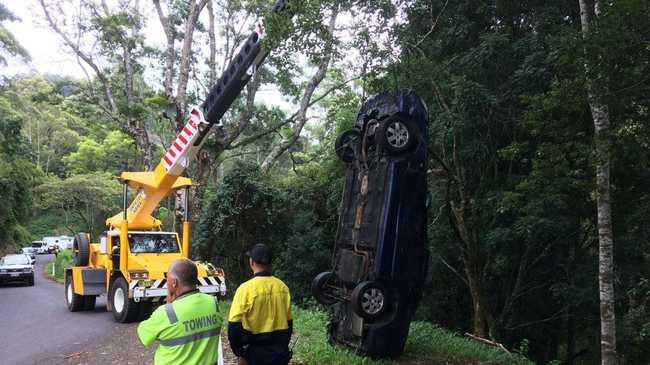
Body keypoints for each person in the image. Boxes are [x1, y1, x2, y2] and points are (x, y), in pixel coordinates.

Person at [137, 258, 224, 365]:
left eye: (167, 278)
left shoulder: (167, 312)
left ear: (174, 282)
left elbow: (143, 335)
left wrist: (169, 304)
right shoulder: (213, 304)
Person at [228, 243, 292, 365]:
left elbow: (234, 326)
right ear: (270, 263)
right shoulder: (282, 287)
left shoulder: (245, 289)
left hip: (254, 353)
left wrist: (239, 352)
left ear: (252, 262)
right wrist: (283, 347)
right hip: (279, 353)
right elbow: (289, 323)